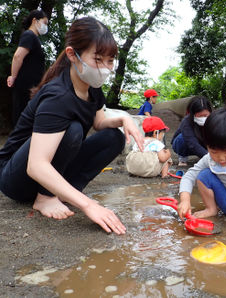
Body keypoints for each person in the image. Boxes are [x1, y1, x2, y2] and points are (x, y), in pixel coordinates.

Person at [0, 17, 144, 235]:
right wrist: (89, 205)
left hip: (45, 170)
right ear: (72, 55)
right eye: (98, 59)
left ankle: (66, 192)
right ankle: (45, 197)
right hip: (15, 177)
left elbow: (98, 122)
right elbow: (36, 165)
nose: (105, 68)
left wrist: (123, 119)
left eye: (110, 60)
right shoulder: (58, 97)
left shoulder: (92, 86)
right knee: (74, 129)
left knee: (113, 137)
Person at [7, 10, 49, 127]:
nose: (46, 26)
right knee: (23, 119)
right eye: (44, 22)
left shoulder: (33, 38)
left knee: (28, 119)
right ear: (35, 20)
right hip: (25, 85)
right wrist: (13, 76)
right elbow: (17, 56)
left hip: (31, 86)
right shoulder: (29, 35)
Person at [171, 95, 212, 166]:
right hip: (186, 144)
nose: (203, 118)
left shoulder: (215, 120)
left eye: (205, 115)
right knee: (182, 138)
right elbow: (192, 143)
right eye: (200, 116)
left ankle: (204, 155)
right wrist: (210, 158)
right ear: (193, 114)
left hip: (203, 144)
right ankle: (183, 157)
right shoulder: (186, 122)